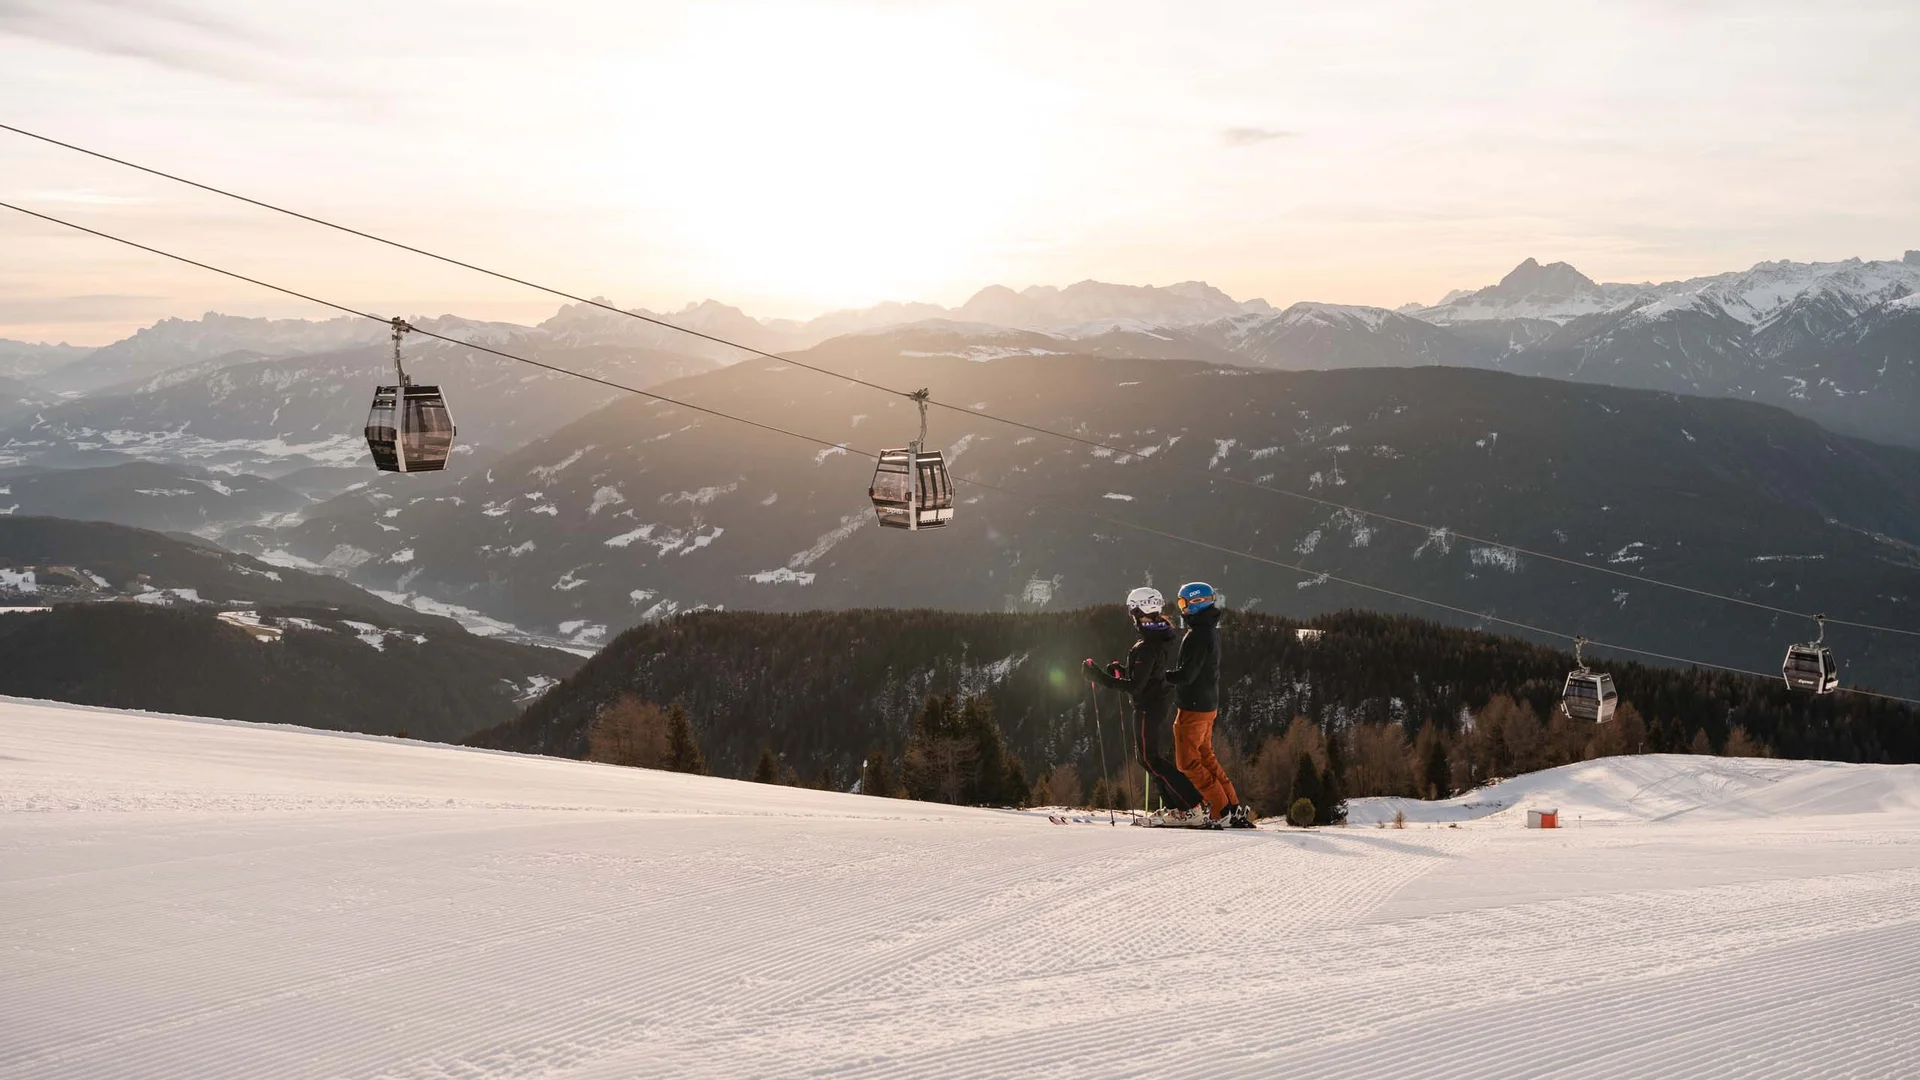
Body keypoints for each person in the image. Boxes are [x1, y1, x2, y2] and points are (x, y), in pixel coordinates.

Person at [1083, 587, 1205, 826]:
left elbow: (1136, 687)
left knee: (1151, 759)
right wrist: (1123, 673)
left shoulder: (1147, 645)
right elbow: (1148, 676)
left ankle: (1191, 806)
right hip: (1155, 702)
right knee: (1147, 759)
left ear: (1139, 612)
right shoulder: (1158, 638)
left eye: (1132, 613)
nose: (1132, 618)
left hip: (1148, 706)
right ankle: (1176, 808)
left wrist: (1098, 676)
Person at [1161, 581, 1252, 827]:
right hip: (1207, 706)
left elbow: (1187, 674)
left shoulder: (1197, 635)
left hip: (1192, 707)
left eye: (1183, 603)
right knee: (1206, 758)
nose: (1181, 609)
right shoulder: (1210, 629)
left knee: (1187, 762)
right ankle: (1232, 807)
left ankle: (1220, 811)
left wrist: (1162, 676)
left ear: (1196, 602)